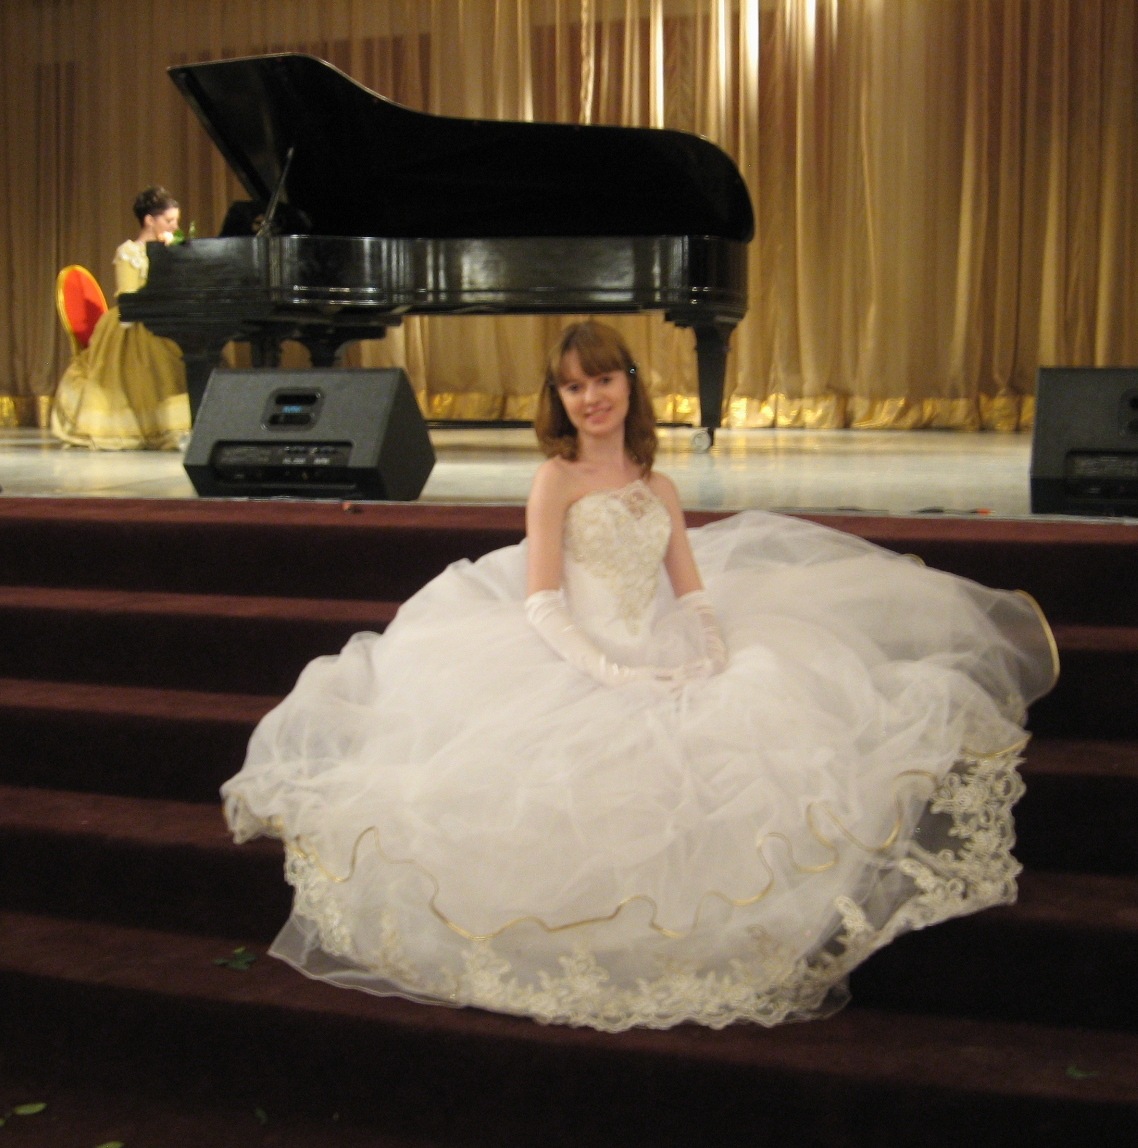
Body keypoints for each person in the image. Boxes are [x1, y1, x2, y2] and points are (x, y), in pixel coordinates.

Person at [221, 320, 1058, 1032]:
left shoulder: (658, 484)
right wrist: (612, 673)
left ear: (629, 384)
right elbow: (541, 602)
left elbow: (690, 587)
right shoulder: (555, 480)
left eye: (604, 379)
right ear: (558, 398)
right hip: (574, 654)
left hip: (660, 647)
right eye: (574, 386)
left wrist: (710, 651)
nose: (592, 398)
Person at [50, 186, 191, 450]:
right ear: (149, 220)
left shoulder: (169, 249)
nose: (175, 226)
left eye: (176, 221)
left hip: (163, 315)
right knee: (155, 357)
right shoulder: (129, 252)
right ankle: (161, 428)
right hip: (134, 322)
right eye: (169, 220)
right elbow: (128, 295)